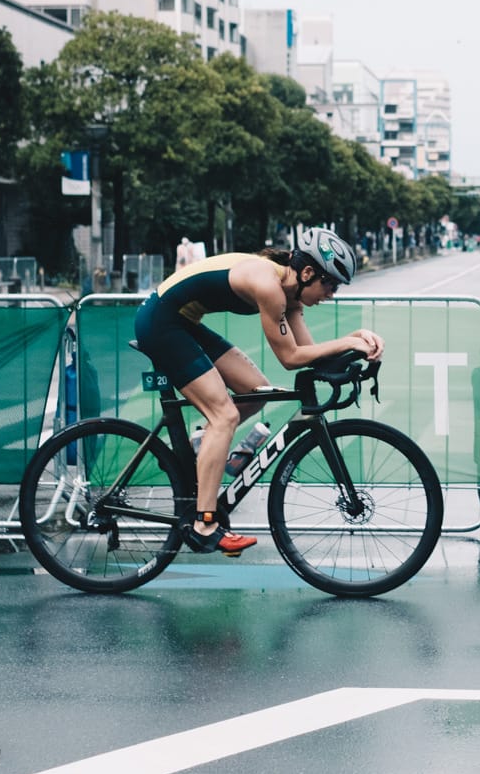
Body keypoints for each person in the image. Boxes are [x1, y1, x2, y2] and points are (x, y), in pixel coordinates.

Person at [133, 228, 384, 554]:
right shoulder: (269, 287)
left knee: (257, 391)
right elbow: (290, 358)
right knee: (224, 416)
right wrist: (348, 342)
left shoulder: (291, 295)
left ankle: (202, 444)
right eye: (331, 285)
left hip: (181, 322)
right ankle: (204, 524)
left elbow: (310, 353)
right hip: (161, 322)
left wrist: (357, 340)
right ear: (308, 273)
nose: (332, 294)